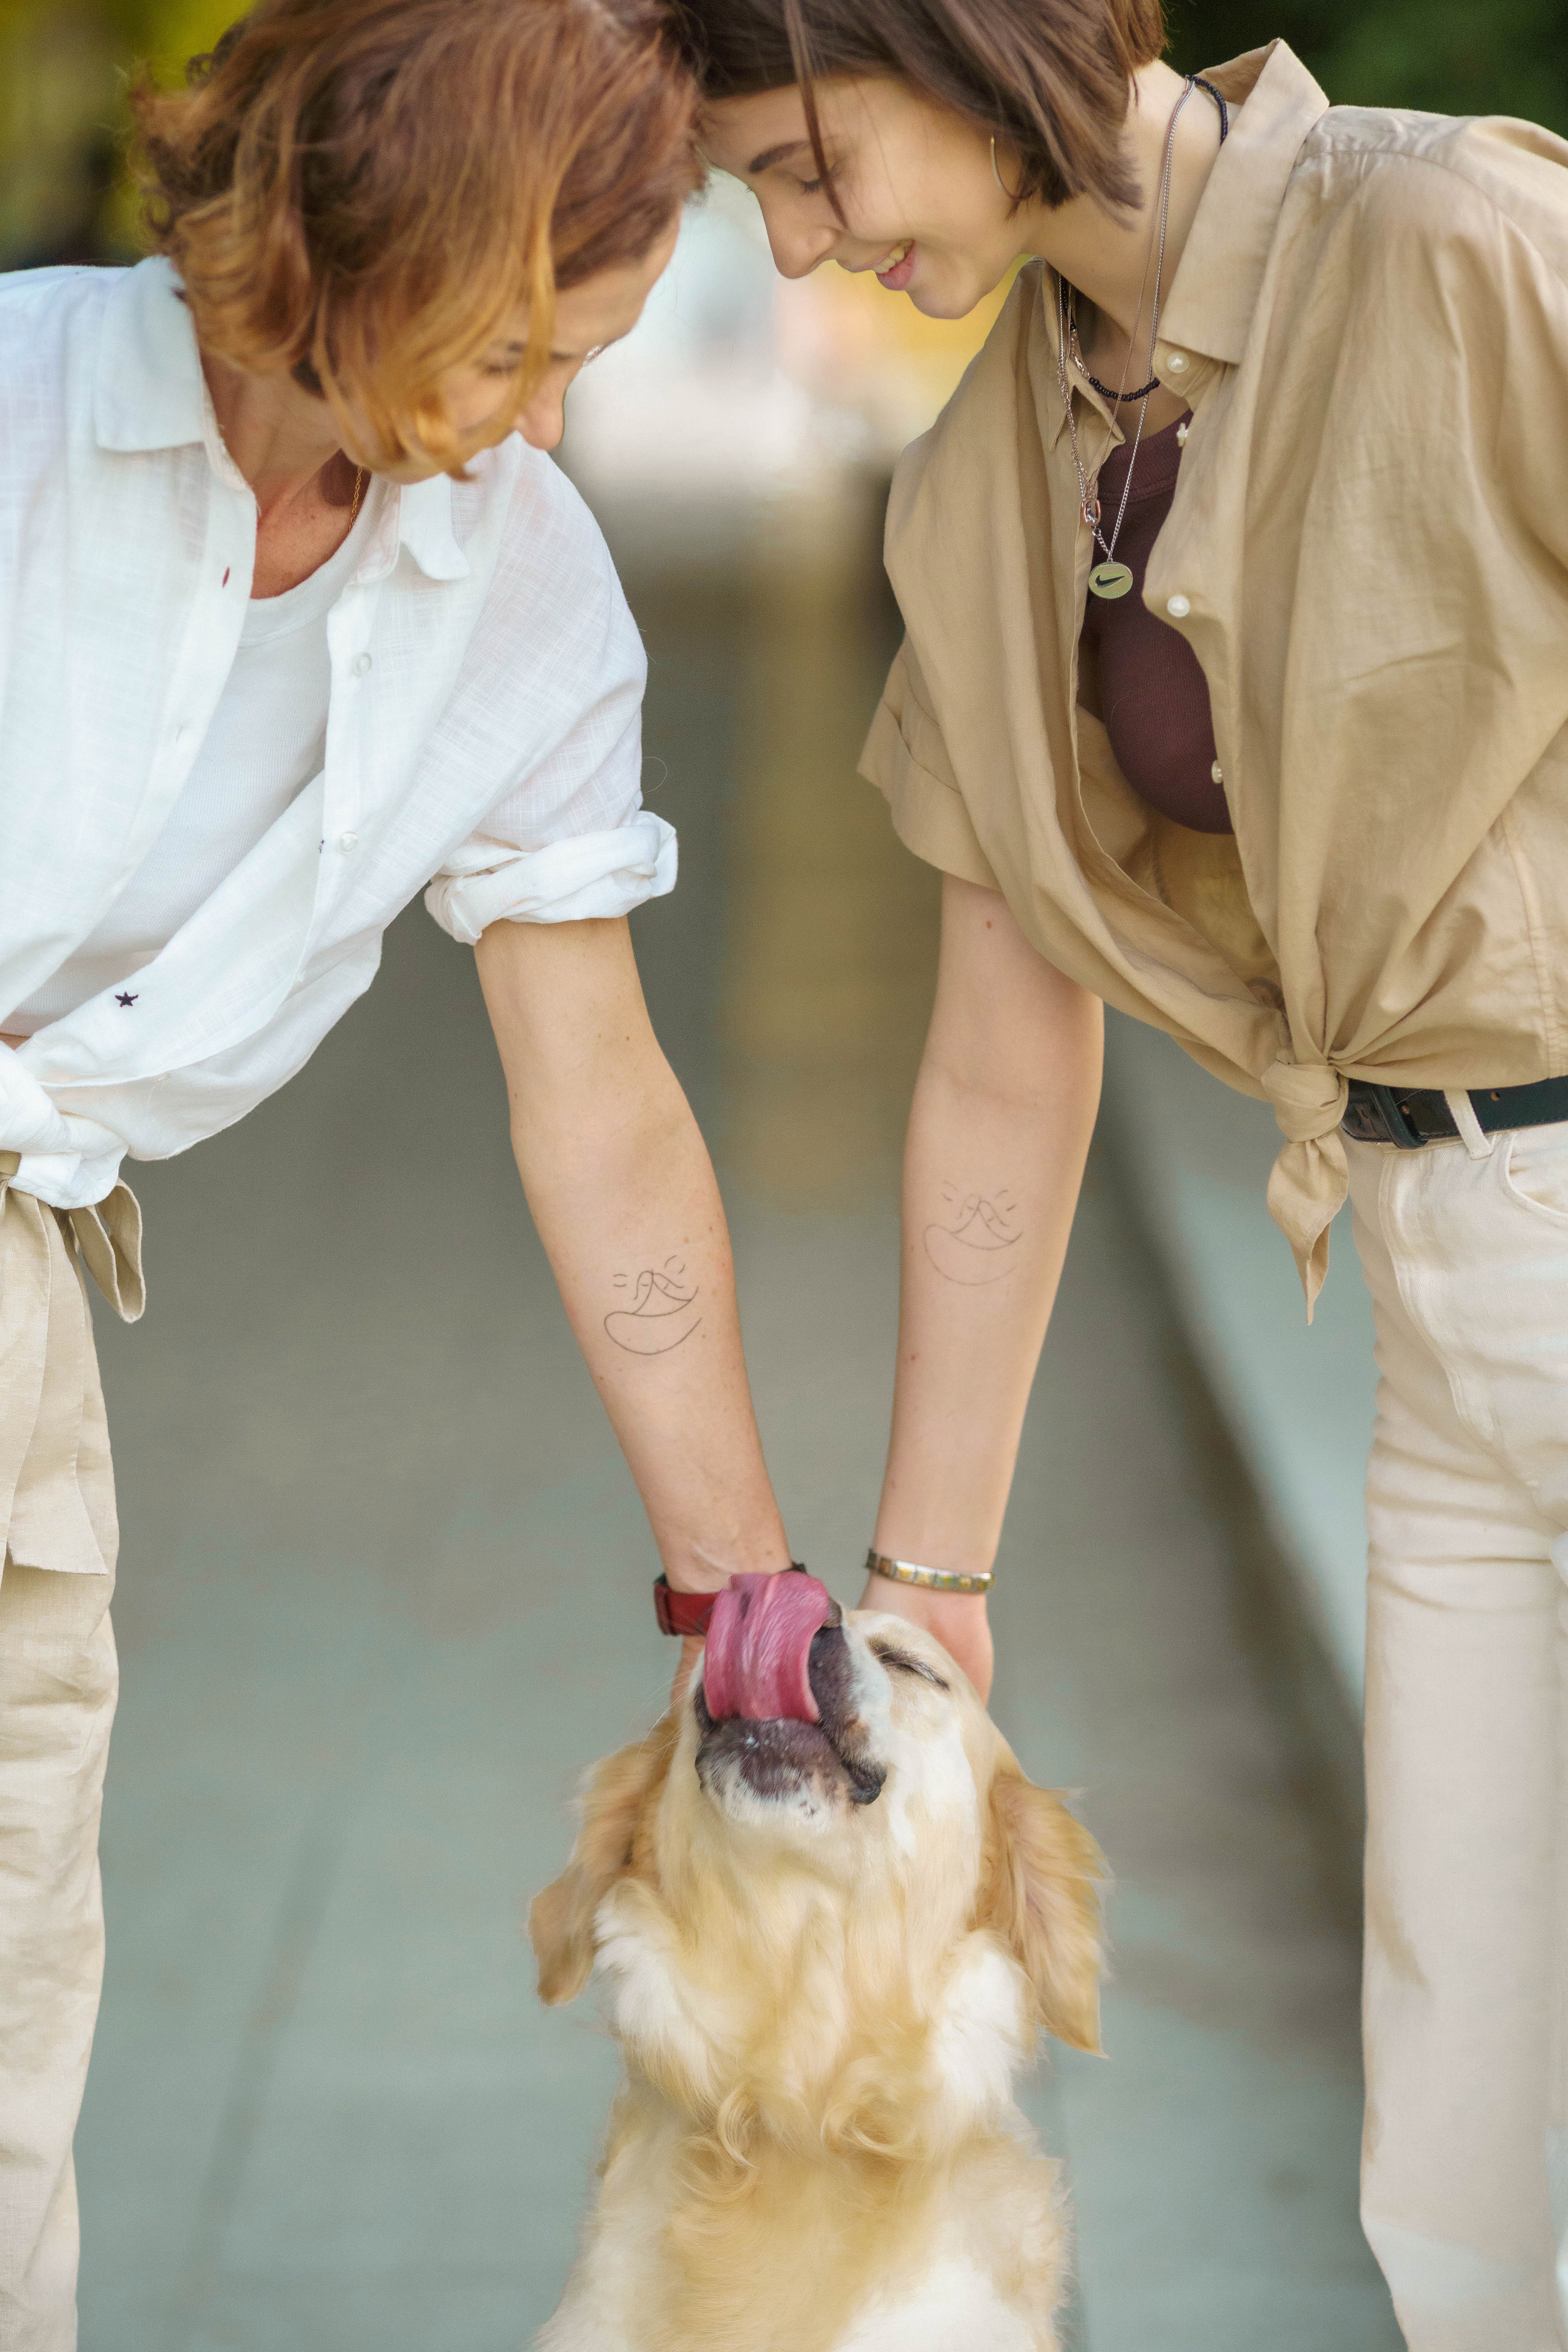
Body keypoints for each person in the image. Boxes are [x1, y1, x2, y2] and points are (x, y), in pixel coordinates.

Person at [676, 2, 1568, 2344]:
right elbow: (999, 1040)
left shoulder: (1457, 239)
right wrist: (929, 1580)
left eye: (800, 160)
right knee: (1462, 2153)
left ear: (954, 44)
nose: (794, 246)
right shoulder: (991, 479)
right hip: (1430, 1279)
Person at [0, 0, 799, 2338]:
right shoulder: (24, 415)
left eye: (590, 363)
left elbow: (606, 1100)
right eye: (514, 352)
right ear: (350, 249)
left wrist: (735, 1593)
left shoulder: (525, 585)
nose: (548, 426)